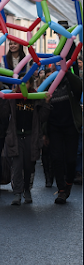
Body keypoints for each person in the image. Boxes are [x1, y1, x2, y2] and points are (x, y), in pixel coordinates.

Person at [6, 75, 49, 205]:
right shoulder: (13, 98)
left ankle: (27, 190)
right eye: (21, 84)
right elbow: (4, 114)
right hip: (16, 135)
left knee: (29, 165)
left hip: (31, 136)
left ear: (31, 84)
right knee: (17, 165)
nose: (23, 86)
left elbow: (42, 117)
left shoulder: (36, 98)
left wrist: (46, 103)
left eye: (26, 83)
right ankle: (17, 193)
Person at [43, 62, 82, 204]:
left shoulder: (70, 83)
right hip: (54, 127)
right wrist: (44, 132)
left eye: (57, 68)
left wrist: (66, 72)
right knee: (56, 158)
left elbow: (79, 86)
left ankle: (68, 184)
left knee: (71, 159)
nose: (55, 71)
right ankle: (61, 190)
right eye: (53, 69)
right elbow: (42, 109)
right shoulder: (47, 86)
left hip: (70, 126)